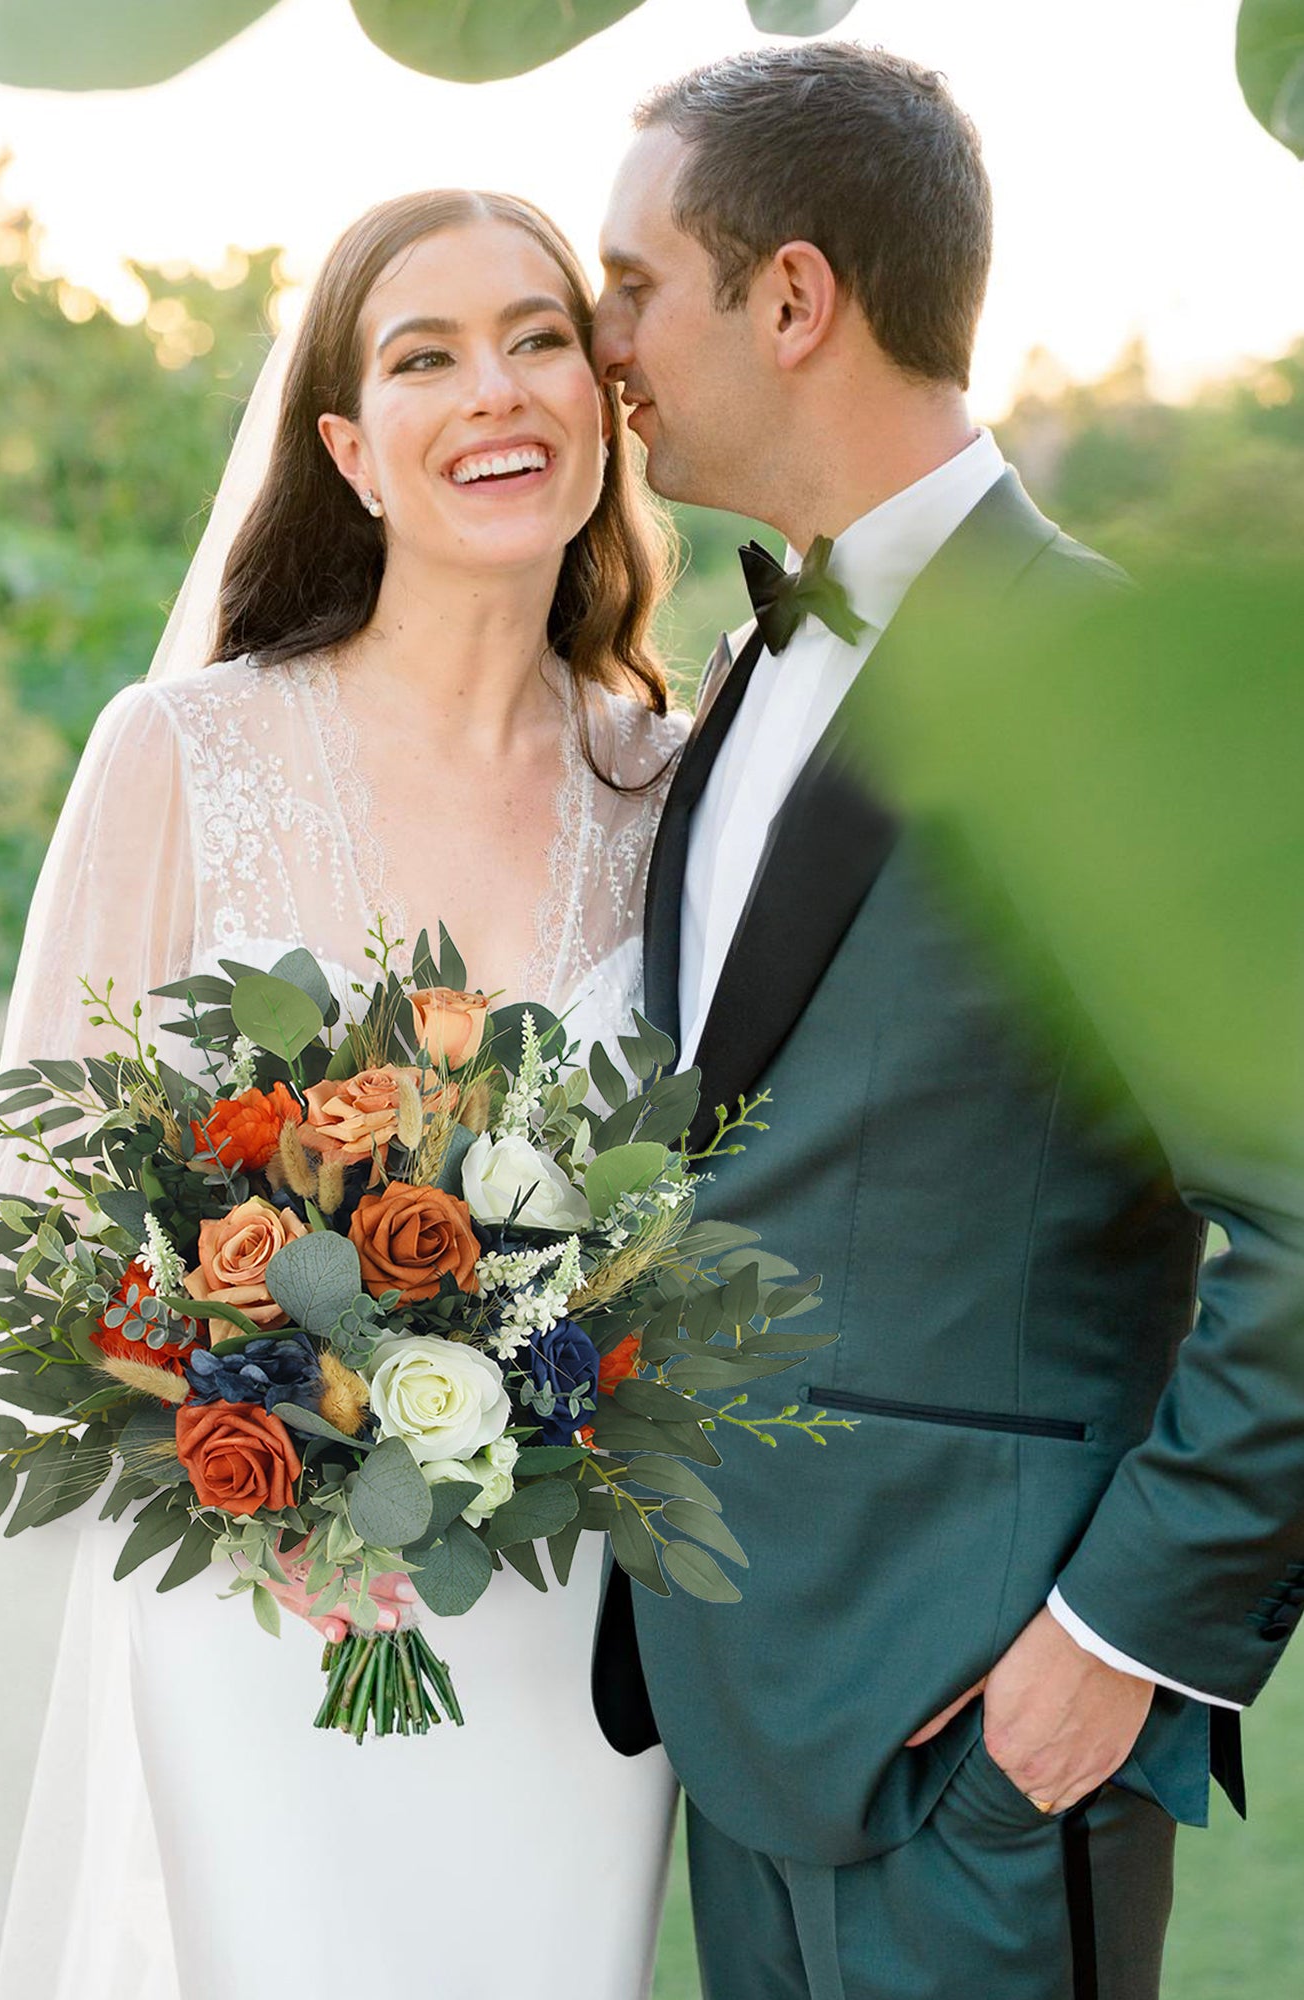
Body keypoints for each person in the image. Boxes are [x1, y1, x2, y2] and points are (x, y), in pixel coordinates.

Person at [0, 189, 684, 2000]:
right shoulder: (184, 752)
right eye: (425, 357)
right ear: (348, 445)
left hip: (562, 1626)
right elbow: (52, 1225)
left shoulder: (679, 784)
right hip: (262, 1601)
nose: (493, 390)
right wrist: (275, 1427)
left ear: (603, 396)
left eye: (539, 335)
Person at [590, 42, 1301, 2000]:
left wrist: (1118, 1636)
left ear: (794, 298)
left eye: (634, 283)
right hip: (744, 1709)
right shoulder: (743, 659)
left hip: (981, 1743)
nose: (603, 342)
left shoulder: (1102, 685)